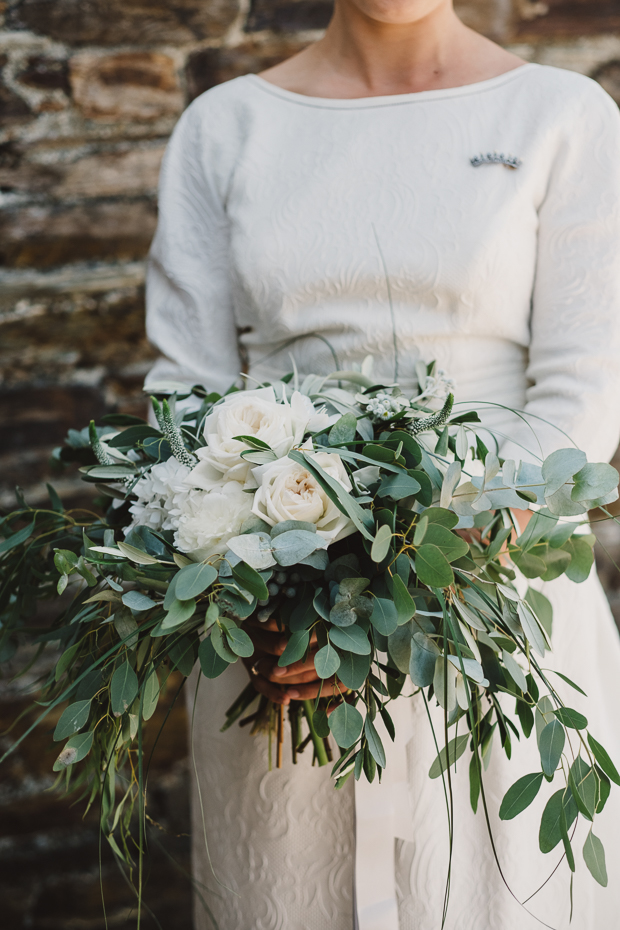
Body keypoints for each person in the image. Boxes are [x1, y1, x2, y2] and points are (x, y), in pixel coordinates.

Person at [145, 1, 620, 927]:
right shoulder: (225, 128)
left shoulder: (564, 116)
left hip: (495, 607)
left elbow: (583, 398)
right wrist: (284, 601)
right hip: (277, 628)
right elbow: (184, 397)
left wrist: (404, 591)